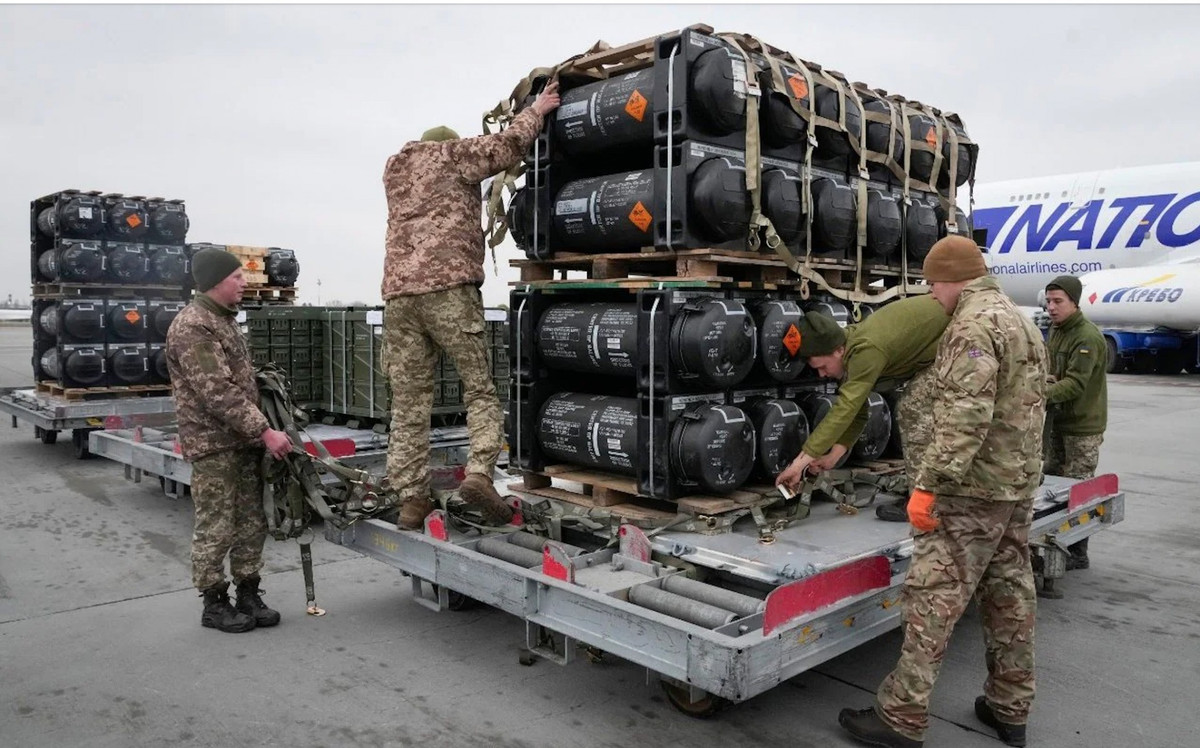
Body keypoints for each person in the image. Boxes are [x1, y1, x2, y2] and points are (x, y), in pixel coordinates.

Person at [838, 235, 1048, 748]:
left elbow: (965, 416)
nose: (932, 294)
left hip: (970, 492)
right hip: (1015, 486)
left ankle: (900, 717)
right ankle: (1010, 708)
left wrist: (928, 484)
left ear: (953, 279)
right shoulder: (1022, 320)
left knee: (932, 600)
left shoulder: (972, 325)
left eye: (933, 284)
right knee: (1010, 595)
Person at [380, 81, 561, 530]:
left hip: (399, 298)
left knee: (409, 404)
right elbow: (506, 146)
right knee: (478, 389)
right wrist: (536, 110)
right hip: (449, 291)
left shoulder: (395, 170)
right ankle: (479, 473)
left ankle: (411, 500)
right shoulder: (453, 156)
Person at [166, 247, 294, 633]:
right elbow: (217, 391)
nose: (244, 283)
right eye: (237, 277)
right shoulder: (194, 326)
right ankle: (214, 602)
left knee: (251, 522)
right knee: (217, 524)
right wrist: (265, 430)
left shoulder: (223, 320)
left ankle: (248, 592)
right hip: (215, 444)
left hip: (242, 441)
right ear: (215, 281)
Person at [774, 296, 950, 524]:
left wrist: (799, 464)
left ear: (838, 351)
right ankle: (929, 492)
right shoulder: (849, 350)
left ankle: (926, 503)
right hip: (942, 345)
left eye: (822, 366)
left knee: (913, 410)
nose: (822, 374)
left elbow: (845, 409)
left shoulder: (865, 350)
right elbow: (857, 411)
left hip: (960, 339)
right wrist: (832, 457)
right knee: (912, 406)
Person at [1042, 275, 1107, 571]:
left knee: (1078, 490)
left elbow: (1076, 384)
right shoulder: (1057, 330)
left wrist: (1038, 394)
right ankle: (1055, 543)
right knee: (1052, 486)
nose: (1051, 307)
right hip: (1059, 420)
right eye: (1048, 301)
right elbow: (1054, 371)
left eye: (1058, 301)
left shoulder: (1086, 336)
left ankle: (1078, 552)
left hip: (1082, 427)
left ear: (1074, 302)